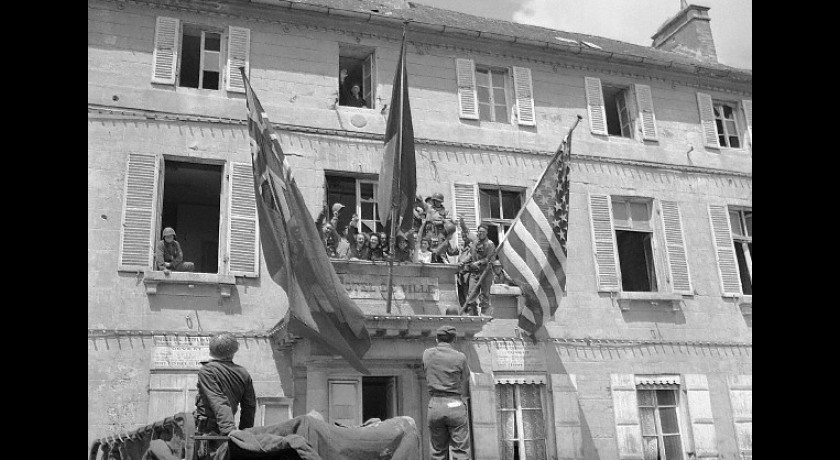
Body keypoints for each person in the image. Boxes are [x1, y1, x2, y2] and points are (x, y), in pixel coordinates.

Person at [194, 333, 256, 459]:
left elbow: (218, 401)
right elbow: (249, 407)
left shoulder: (207, 371)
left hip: (209, 431)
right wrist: (244, 434)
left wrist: (229, 431)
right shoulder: (243, 373)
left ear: (212, 351)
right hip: (226, 429)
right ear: (233, 352)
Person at [423, 326, 471, 460]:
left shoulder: (427, 354)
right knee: (460, 451)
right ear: (454, 339)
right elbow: (465, 380)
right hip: (455, 403)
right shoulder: (460, 357)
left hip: (435, 404)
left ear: (436, 338)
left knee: (437, 451)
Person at [460, 220, 496, 316]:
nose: (481, 234)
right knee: (471, 294)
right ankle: (472, 313)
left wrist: (478, 262)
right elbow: (471, 255)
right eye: (479, 232)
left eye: (483, 232)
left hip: (485, 273)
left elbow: (489, 258)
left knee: (485, 295)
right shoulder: (475, 242)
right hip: (475, 273)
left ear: (486, 233)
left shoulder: (490, 244)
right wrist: (463, 261)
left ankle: (485, 314)